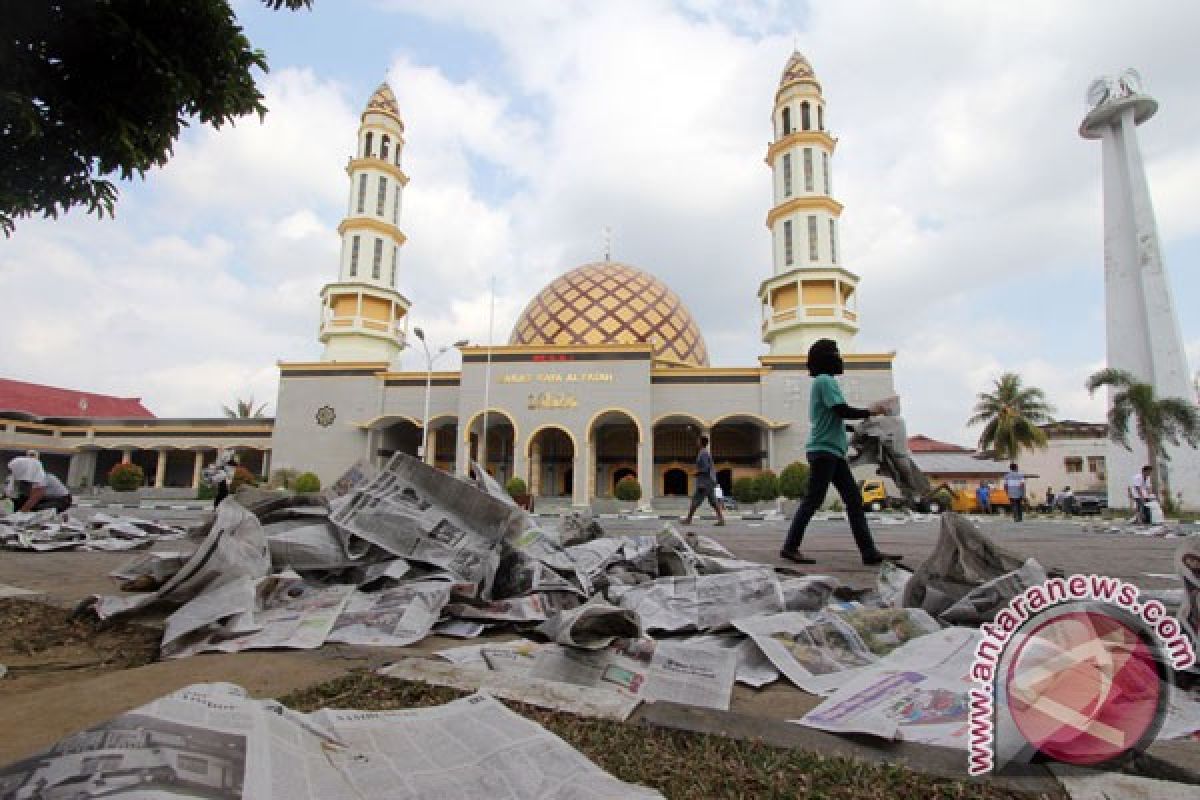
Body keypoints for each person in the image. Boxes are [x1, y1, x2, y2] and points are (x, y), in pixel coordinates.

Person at [780, 338, 902, 566]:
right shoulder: (825, 381)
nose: (839, 357)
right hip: (824, 451)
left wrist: (857, 428)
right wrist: (870, 411)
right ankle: (790, 547)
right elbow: (840, 410)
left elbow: (833, 417)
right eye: (835, 353)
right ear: (826, 359)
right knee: (813, 500)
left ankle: (869, 552)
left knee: (854, 500)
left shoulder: (825, 383)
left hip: (832, 452)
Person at [7, 451, 73, 513]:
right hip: (47, 498)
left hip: (62, 500)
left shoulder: (41, 477)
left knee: (35, 508)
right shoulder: (29, 478)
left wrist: (21, 513)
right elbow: (24, 496)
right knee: (20, 502)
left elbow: (34, 498)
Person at [681, 435, 726, 526]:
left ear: (701, 443)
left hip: (705, 481)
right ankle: (721, 520)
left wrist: (696, 473)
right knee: (713, 502)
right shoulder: (703, 452)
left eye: (698, 441)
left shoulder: (703, 453)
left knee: (696, 500)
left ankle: (688, 519)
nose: (696, 442)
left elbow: (705, 468)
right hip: (709, 481)